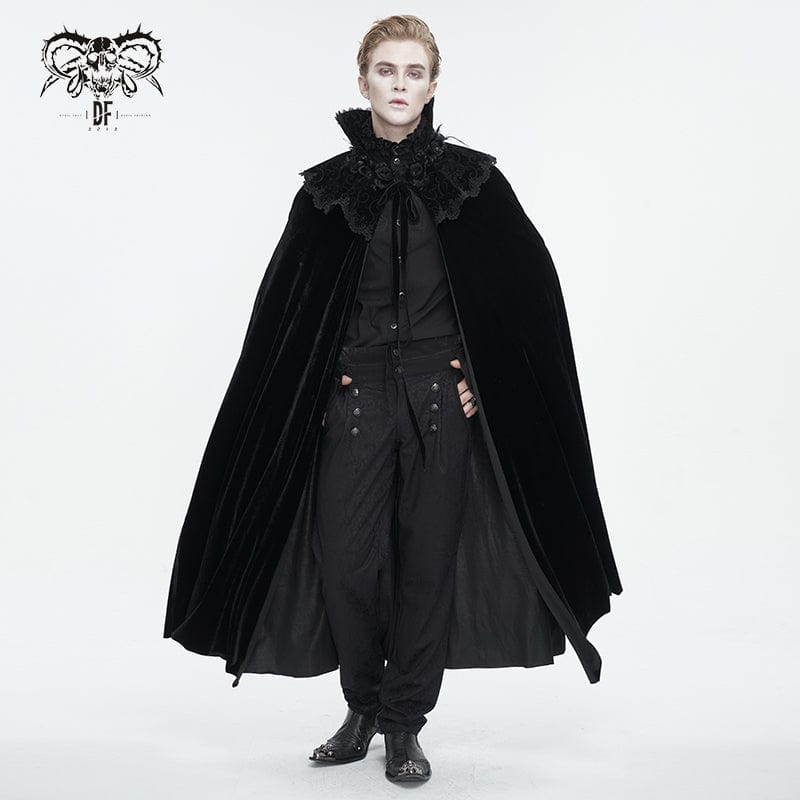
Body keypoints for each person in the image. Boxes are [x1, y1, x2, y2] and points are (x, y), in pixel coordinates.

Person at [163, 14, 622, 786]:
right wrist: (312, 382)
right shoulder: (325, 193)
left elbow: (527, 289)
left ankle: (404, 723)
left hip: (440, 398)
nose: (400, 84)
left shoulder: (476, 184)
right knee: (346, 562)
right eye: (386, 70)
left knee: (427, 567)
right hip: (356, 398)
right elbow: (286, 308)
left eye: (414, 72)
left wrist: (488, 374)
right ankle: (363, 706)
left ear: (432, 85)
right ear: (363, 81)